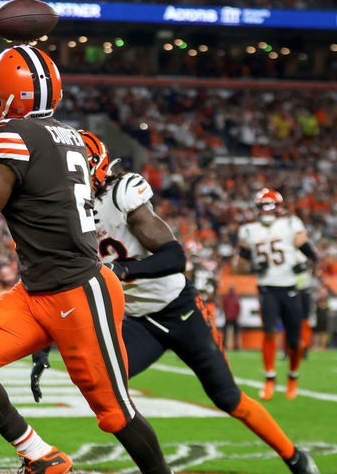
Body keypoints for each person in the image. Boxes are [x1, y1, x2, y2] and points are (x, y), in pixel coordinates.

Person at [31, 131, 320, 474]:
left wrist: (122, 270)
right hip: (137, 320)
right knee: (104, 385)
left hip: (179, 309)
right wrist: (41, 345)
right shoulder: (64, 214)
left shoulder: (121, 194)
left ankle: (294, 457)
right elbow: (59, 282)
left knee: (228, 398)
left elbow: (174, 256)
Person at [0, 46, 173, 474]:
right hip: (36, 291)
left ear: (10, 94)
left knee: (117, 414)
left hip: (79, 291)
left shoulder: (12, 134)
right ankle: (41, 456)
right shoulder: (69, 136)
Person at [236, 188, 318, 401]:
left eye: (271, 205)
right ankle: (270, 378)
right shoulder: (248, 230)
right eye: (264, 206)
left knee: (293, 340)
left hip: (290, 286)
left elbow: (309, 252)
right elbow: (241, 265)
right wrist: (254, 266)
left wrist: (308, 264)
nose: (267, 210)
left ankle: (292, 377)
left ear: (279, 207)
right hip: (266, 287)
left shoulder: (291, 224)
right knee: (270, 332)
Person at [222, 285, 241, 350]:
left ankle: (237, 346)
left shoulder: (236, 297)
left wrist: (236, 315)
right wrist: (226, 314)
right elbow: (224, 306)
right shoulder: (226, 298)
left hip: (234, 317)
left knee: (236, 333)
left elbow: (238, 308)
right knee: (225, 332)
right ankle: (224, 346)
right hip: (228, 317)